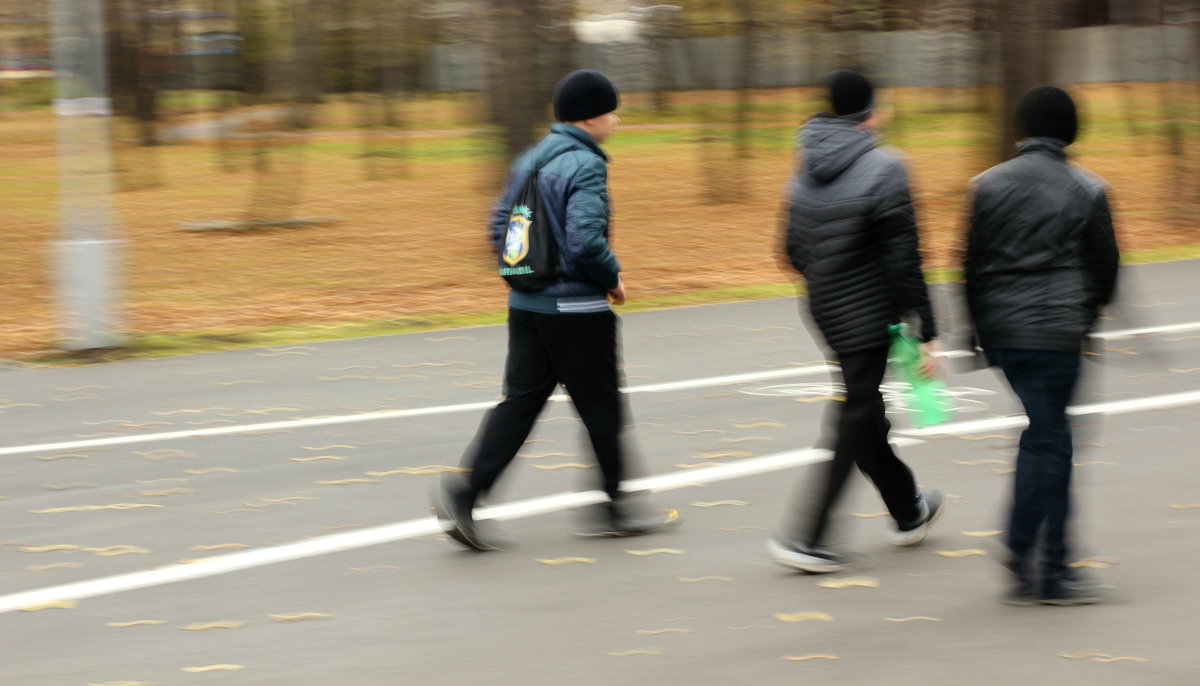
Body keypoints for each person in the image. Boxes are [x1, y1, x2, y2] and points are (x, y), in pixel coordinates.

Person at [433, 69, 674, 551]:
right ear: (592, 116)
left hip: (526, 307)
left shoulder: (530, 157)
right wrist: (613, 277)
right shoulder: (585, 164)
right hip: (576, 310)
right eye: (612, 109)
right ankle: (611, 509)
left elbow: (498, 225)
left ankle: (463, 495)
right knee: (603, 408)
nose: (617, 118)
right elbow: (586, 241)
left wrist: (521, 274)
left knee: (519, 404)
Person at [768, 69, 944, 574]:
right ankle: (807, 537)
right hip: (868, 316)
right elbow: (905, 259)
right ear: (871, 112)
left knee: (865, 413)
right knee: (855, 416)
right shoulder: (887, 167)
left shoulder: (803, 164)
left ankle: (908, 510)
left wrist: (829, 279)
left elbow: (789, 251)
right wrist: (927, 329)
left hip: (825, 310)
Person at [962, 84, 1119, 605]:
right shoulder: (1089, 189)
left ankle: (1028, 548)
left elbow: (969, 264)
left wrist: (975, 332)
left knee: (1046, 435)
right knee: (1053, 441)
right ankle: (1048, 569)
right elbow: (1105, 269)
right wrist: (1087, 314)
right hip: (1057, 334)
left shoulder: (986, 185)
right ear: (1070, 130)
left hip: (1005, 336)